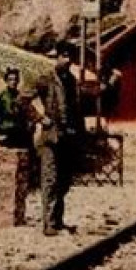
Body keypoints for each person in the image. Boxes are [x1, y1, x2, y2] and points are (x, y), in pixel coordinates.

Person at [37, 45, 83, 235]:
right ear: (56, 57)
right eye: (64, 56)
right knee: (50, 180)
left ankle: (58, 220)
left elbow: (76, 109)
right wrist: (40, 118)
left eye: (70, 56)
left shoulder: (72, 81)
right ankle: (48, 223)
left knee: (64, 181)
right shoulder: (45, 78)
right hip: (51, 137)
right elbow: (23, 100)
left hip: (69, 137)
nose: (67, 60)